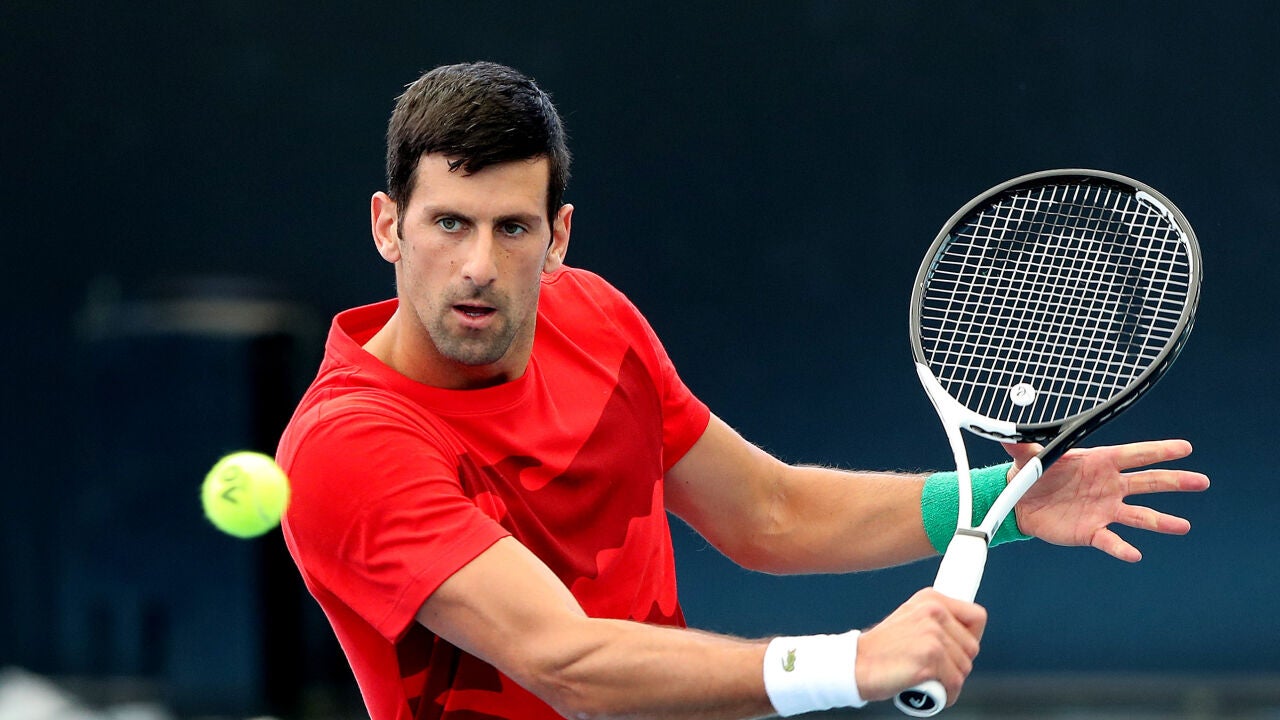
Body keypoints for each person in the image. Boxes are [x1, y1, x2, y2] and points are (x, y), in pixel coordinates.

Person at [275, 61, 1209, 720]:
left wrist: (1004, 501)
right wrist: (851, 662)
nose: (479, 264)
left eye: (512, 229)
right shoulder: (349, 446)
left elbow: (767, 512)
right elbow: (568, 663)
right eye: (449, 223)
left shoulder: (593, 318)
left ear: (557, 237)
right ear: (388, 226)